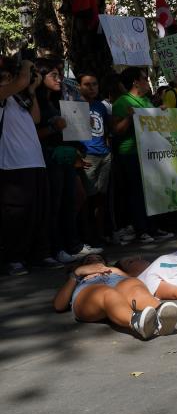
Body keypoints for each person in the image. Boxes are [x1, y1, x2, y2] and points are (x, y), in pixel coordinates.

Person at [36, 59, 96, 263]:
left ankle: (72, 245)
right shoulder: (35, 102)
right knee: (56, 204)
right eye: (53, 75)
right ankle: (55, 248)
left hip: (65, 158)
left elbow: (67, 130)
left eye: (60, 74)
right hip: (49, 158)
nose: (59, 79)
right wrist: (53, 128)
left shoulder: (55, 100)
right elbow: (32, 132)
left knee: (70, 201)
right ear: (39, 76)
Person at [1, 58, 54, 275]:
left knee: (37, 212)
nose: (10, 81)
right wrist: (26, 64)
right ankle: (12, 259)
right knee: (16, 215)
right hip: (12, 165)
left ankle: (36, 255)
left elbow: (36, 118)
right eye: (5, 78)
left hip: (35, 162)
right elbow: (21, 81)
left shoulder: (18, 99)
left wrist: (31, 89)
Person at [53, 254, 177, 340]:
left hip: (117, 282)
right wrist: (77, 273)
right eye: (89, 260)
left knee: (133, 285)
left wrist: (118, 272)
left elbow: (137, 282)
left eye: (98, 259)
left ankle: (161, 315)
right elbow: (59, 305)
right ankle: (136, 322)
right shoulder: (78, 276)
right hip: (88, 291)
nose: (94, 260)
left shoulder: (114, 270)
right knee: (107, 293)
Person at [112, 67, 172, 243]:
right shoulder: (122, 102)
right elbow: (116, 130)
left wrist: (159, 112)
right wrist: (129, 118)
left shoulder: (146, 101)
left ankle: (153, 227)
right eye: (144, 79)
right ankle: (141, 229)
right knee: (137, 192)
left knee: (152, 191)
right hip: (131, 153)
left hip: (149, 153)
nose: (147, 82)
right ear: (135, 82)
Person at [78, 73, 112, 247]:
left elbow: (106, 130)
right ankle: (87, 236)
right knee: (87, 199)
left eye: (94, 84)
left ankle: (99, 235)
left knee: (100, 198)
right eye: (87, 84)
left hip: (104, 155)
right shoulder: (74, 106)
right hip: (87, 155)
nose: (91, 88)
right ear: (79, 87)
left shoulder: (100, 106)